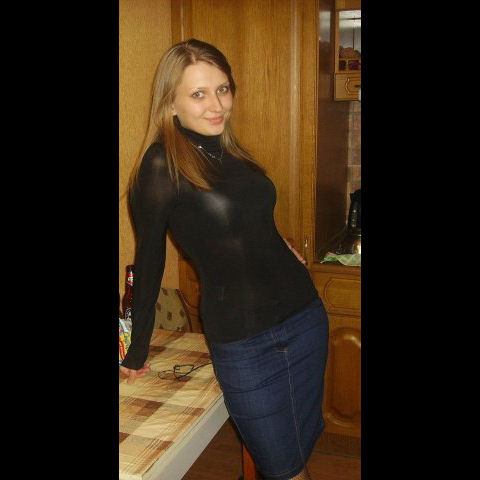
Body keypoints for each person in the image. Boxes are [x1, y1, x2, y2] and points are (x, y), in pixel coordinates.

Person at [119, 38, 329, 480]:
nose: (216, 105)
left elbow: (246, 223)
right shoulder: (160, 168)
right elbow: (149, 262)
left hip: (304, 317)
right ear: (170, 103)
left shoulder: (232, 152)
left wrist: (281, 242)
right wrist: (136, 352)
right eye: (198, 94)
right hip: (243, 339)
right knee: (284, 466)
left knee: (297, 448)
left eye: (223, 89)